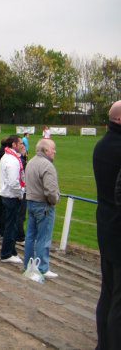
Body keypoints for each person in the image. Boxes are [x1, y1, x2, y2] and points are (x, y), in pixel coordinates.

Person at [93, 100, 121, 350]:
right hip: (117, 227)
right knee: (118, 299)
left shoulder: (101, 146)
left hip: (105, 225)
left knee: (108, 291)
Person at [24, 138, 60, 278]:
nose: (55, 151)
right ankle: (42, 268)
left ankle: (28, 264)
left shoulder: (31, 162)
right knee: (44, 238)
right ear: (45, 150)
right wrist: (54, 200)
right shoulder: (47, 165)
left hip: (31, 202)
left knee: (30, 236)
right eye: (53, 149)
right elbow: (50, 191)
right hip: (43, 205)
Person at [0, 135, 25, 264]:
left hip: (8, 195)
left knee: (11, 225)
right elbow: (14, 182)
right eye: (20, 143)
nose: (22, 145)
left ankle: (11, 251)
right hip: (12, 196)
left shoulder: (8, 157)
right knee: (11, 226)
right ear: (14, 145)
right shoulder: (12, 160)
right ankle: (6, 253)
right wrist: (21, 193)